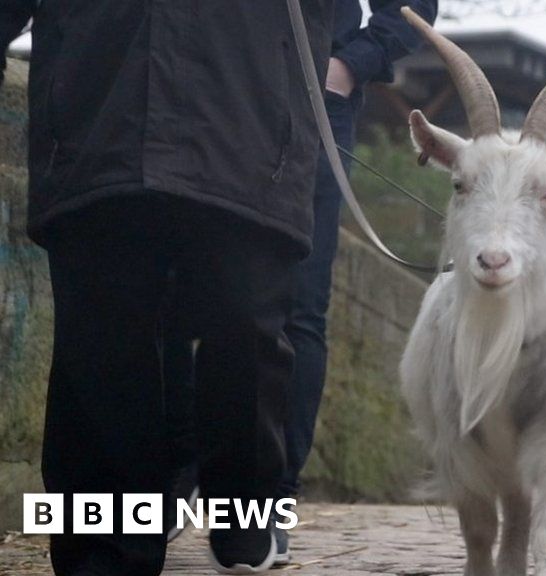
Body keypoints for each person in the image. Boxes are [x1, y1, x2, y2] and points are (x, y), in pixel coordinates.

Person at [1, 2, 333, 575]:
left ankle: (248, 517)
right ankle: (100, 559)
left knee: (248, 335)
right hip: (97, 113)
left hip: (250, 120)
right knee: (98, 356)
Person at [160, 0, 440, 565]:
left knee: (296, 304)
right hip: (195, 88)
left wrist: (349, 65)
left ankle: (270, 502)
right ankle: (177, 474)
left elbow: (410, 8)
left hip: (308, 99)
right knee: (168, 290)